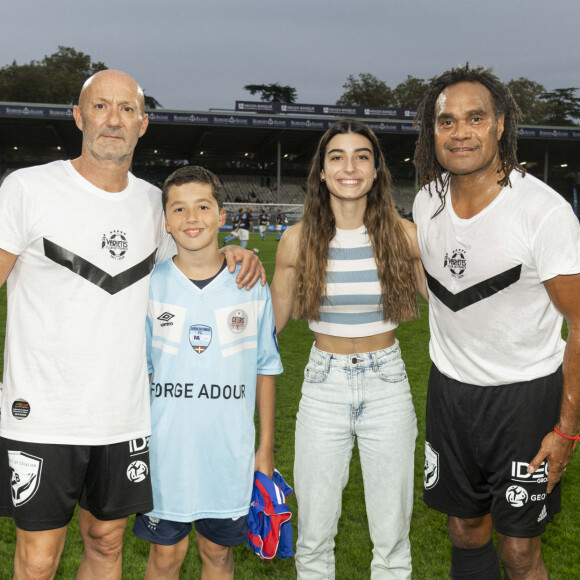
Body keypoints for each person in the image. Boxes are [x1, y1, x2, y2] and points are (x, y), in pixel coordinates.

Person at [0, 70, 263, 580]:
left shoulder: (153, 206)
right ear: (79, 117)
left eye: (126, 109)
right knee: (37, 559)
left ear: (143, 124)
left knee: (107, 542)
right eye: (100, 107)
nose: (113, 119)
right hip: (43, 412)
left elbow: (191, 260)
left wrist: (228, 249)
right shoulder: (28, 188)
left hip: (125, 414)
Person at [412, 64, 580, 580]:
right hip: (451, 395)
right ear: (432, 131)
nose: (460, 132)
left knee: (519, 551)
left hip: (524, 401)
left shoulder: (542, 213)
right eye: (447, 122)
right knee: (464, 531)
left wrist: (566, 430)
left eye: (475, 118)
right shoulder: (426, 202)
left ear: (500, 125)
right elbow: (442, 290)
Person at [271, 119, 427, 579]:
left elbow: (450, 308)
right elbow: (266, 330)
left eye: (362, 156)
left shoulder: (406, 236)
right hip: (324, 385)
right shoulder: (296, 240)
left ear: (377, 170)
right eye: (336, 156)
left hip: (388, 383)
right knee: (314, 537)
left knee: (392, 537)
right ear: (321, 171)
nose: (349, 166)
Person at [132, 166, 282, 579]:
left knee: (217, 554)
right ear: (166, 221)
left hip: (228, 453)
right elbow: (139, 372)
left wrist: (264, 448)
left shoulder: (249, 284)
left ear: (222, 215)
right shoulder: (150, 285)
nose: (191, 218)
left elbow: (266, 368)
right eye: (178, 209)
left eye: (202, 206)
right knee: (164, 558)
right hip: (166, 453)